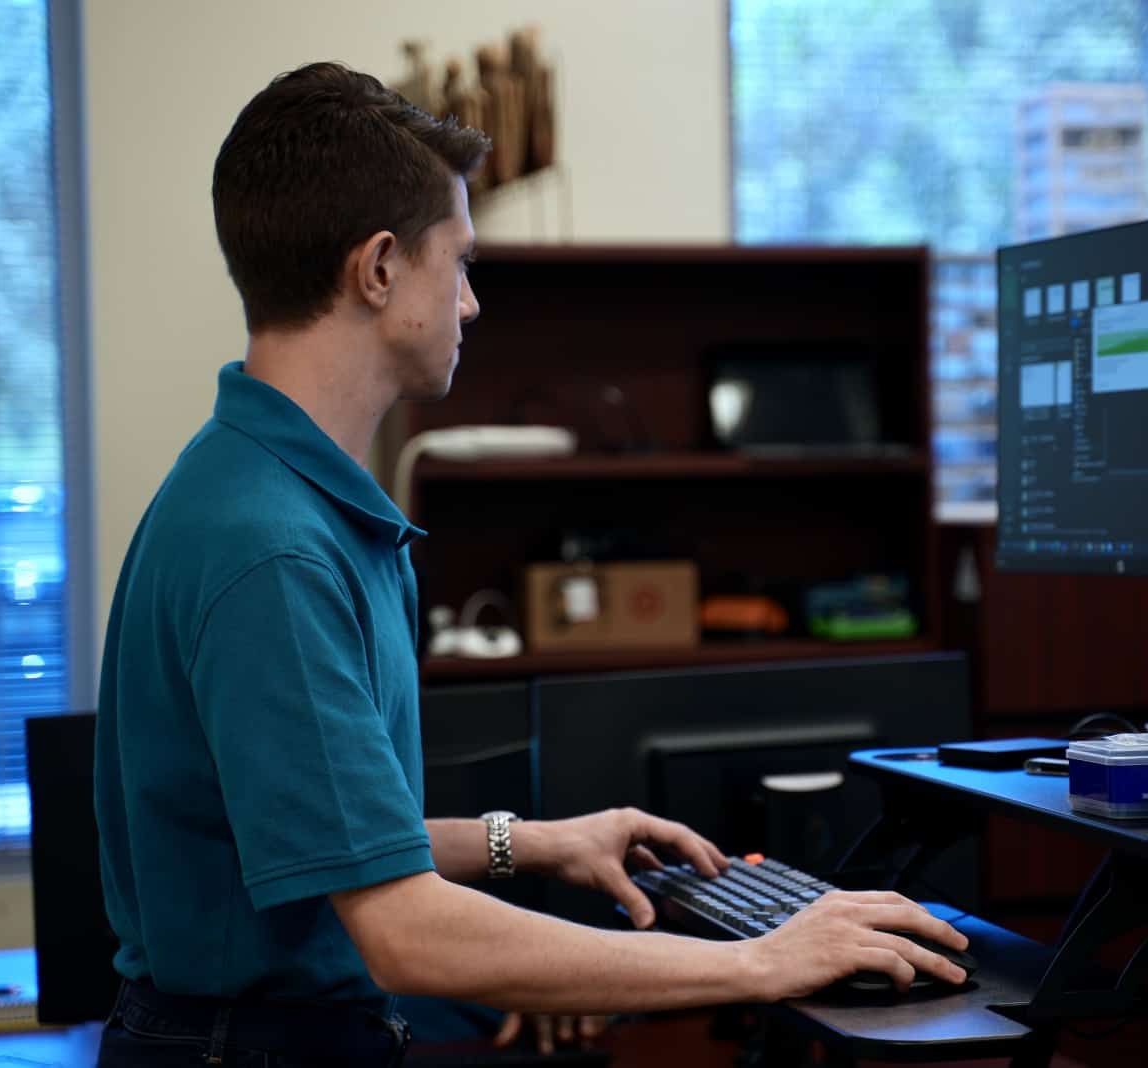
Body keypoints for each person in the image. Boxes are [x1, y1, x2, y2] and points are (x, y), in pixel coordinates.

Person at [93, 61, 970, 1067]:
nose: (468, 304)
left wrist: (538, 841)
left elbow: (328, 844)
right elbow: (403, 928)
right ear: (378, 269)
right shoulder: (272, 551)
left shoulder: (263, 495)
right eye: (456, 263)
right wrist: (761, 963)